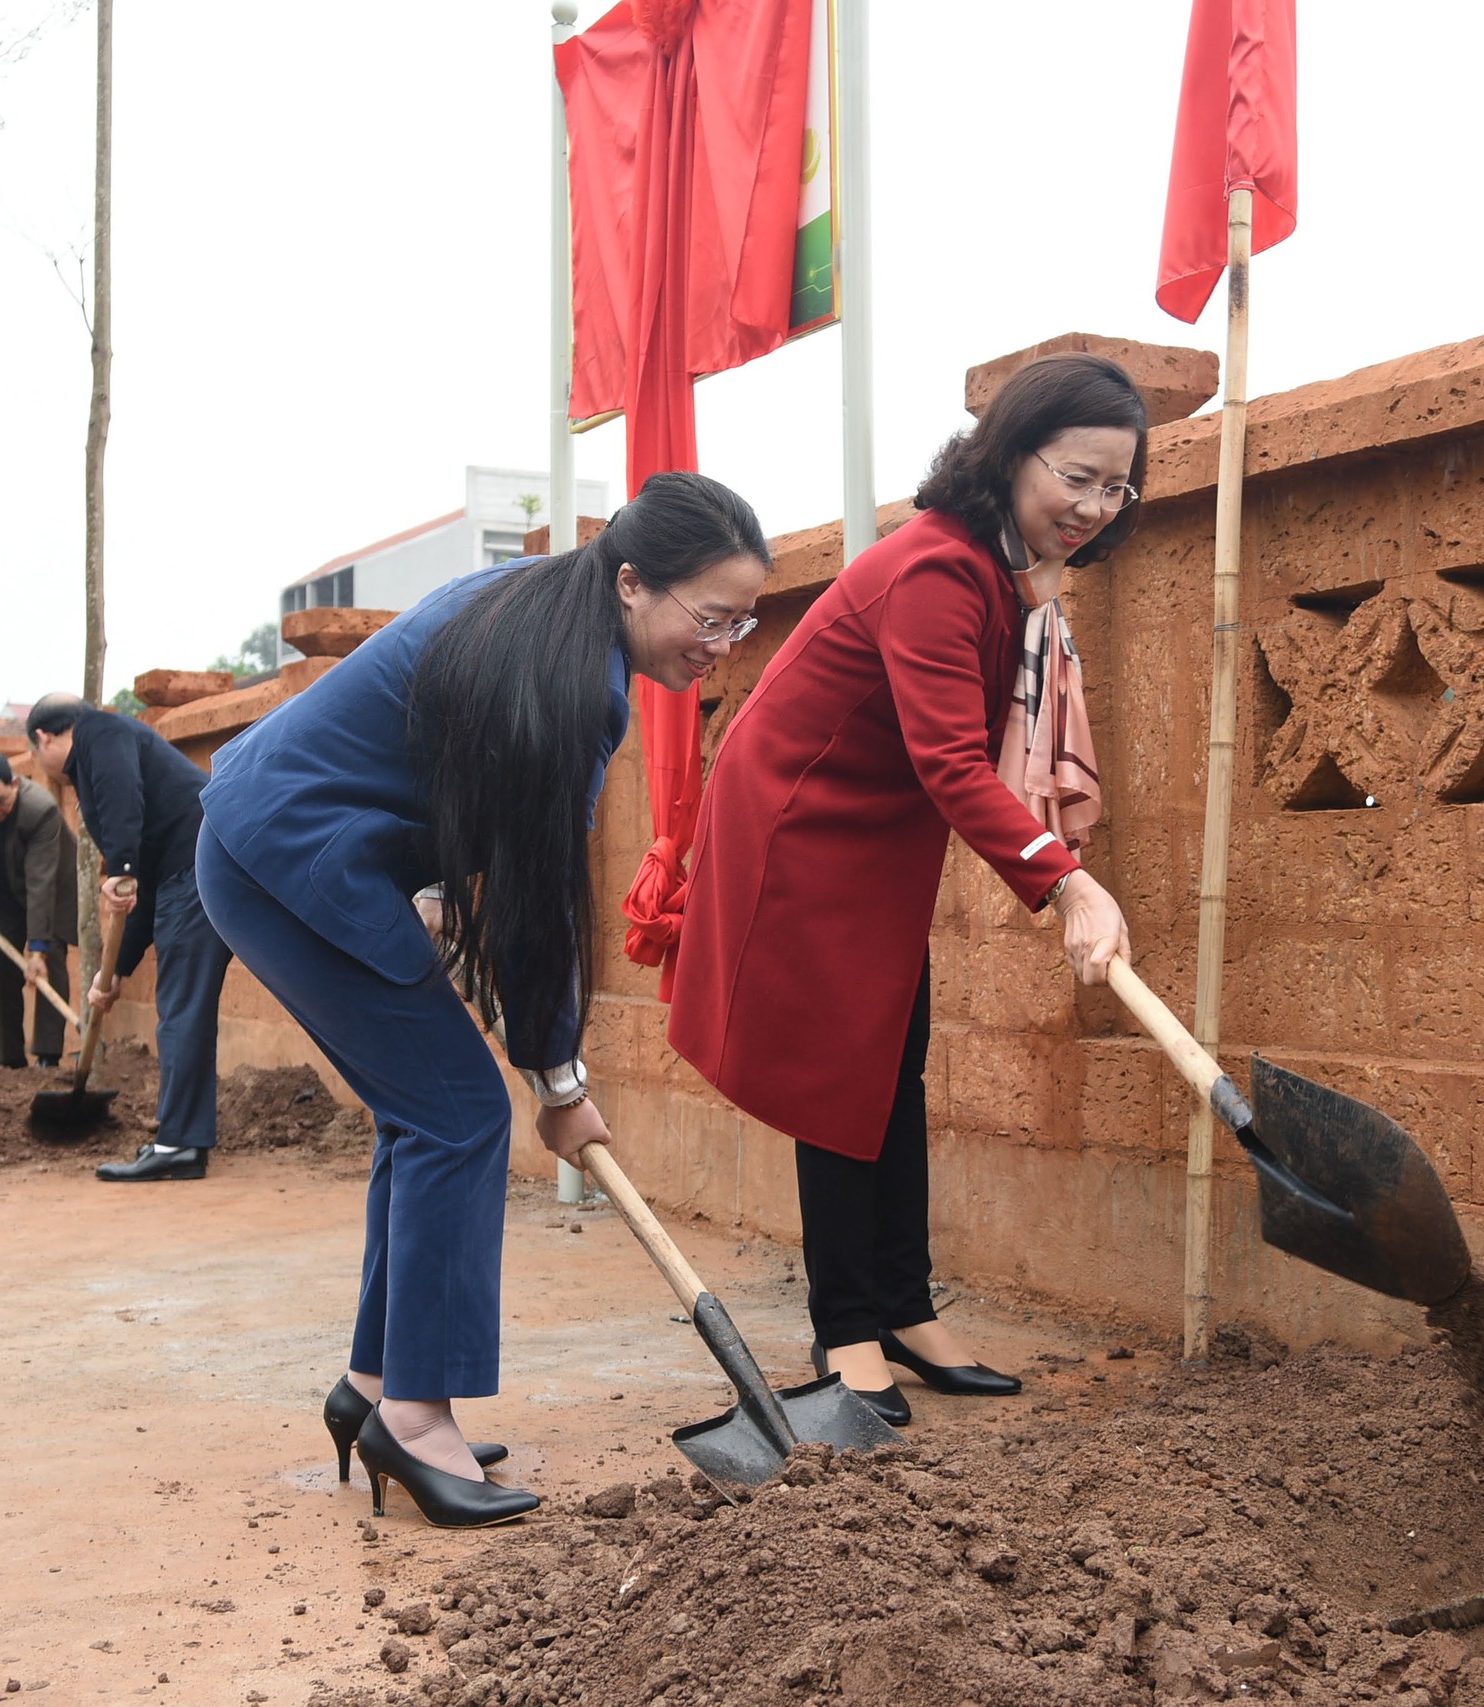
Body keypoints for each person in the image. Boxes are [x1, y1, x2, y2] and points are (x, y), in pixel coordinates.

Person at [197, 472, 768, 1529]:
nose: (722, 642)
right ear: (634, 583)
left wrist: (431, 901)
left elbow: (445, 790)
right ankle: (416, 1422)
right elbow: (537, 907)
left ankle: (374, 1387)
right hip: (286, 858)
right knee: (458, 1117)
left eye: (743, 620)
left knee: (425, 1115)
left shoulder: (545, 616)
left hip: (284, 839)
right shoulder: (565, 681)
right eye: (710, 616)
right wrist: (560, 1083)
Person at [671, 355, 1141, 1425]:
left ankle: (902, 1307)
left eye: (1116, 487)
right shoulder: (938, 570)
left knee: (895, 1065)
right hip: (804, 824)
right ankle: (848, 1346)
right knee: (843, 1079)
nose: (1093, 507)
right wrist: (1068, 885)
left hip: (875, 831)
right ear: (1012, 455)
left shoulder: (997, 568)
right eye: (1076, 476)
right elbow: (950, 764)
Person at [24, 695, 230, 1183]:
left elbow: (124, 800)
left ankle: (179, 1144)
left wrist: (121, 868)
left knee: (181, 1008)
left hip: (199, 868)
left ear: (44, 738)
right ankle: (184, 1138)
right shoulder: (107, 750)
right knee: (185, 1006)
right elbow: (149, 890)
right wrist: (114, 971)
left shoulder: (100, 733)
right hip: (191, 871)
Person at [0, 750, 78, 1070]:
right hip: (2, 891)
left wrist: (36, 950)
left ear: (13, 783)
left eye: (0, 801)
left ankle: (48, 1055)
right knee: (2, 970)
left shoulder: (40, 809)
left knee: (50, 963)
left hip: (52, 890)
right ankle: (8, 1056)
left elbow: (42, 883)